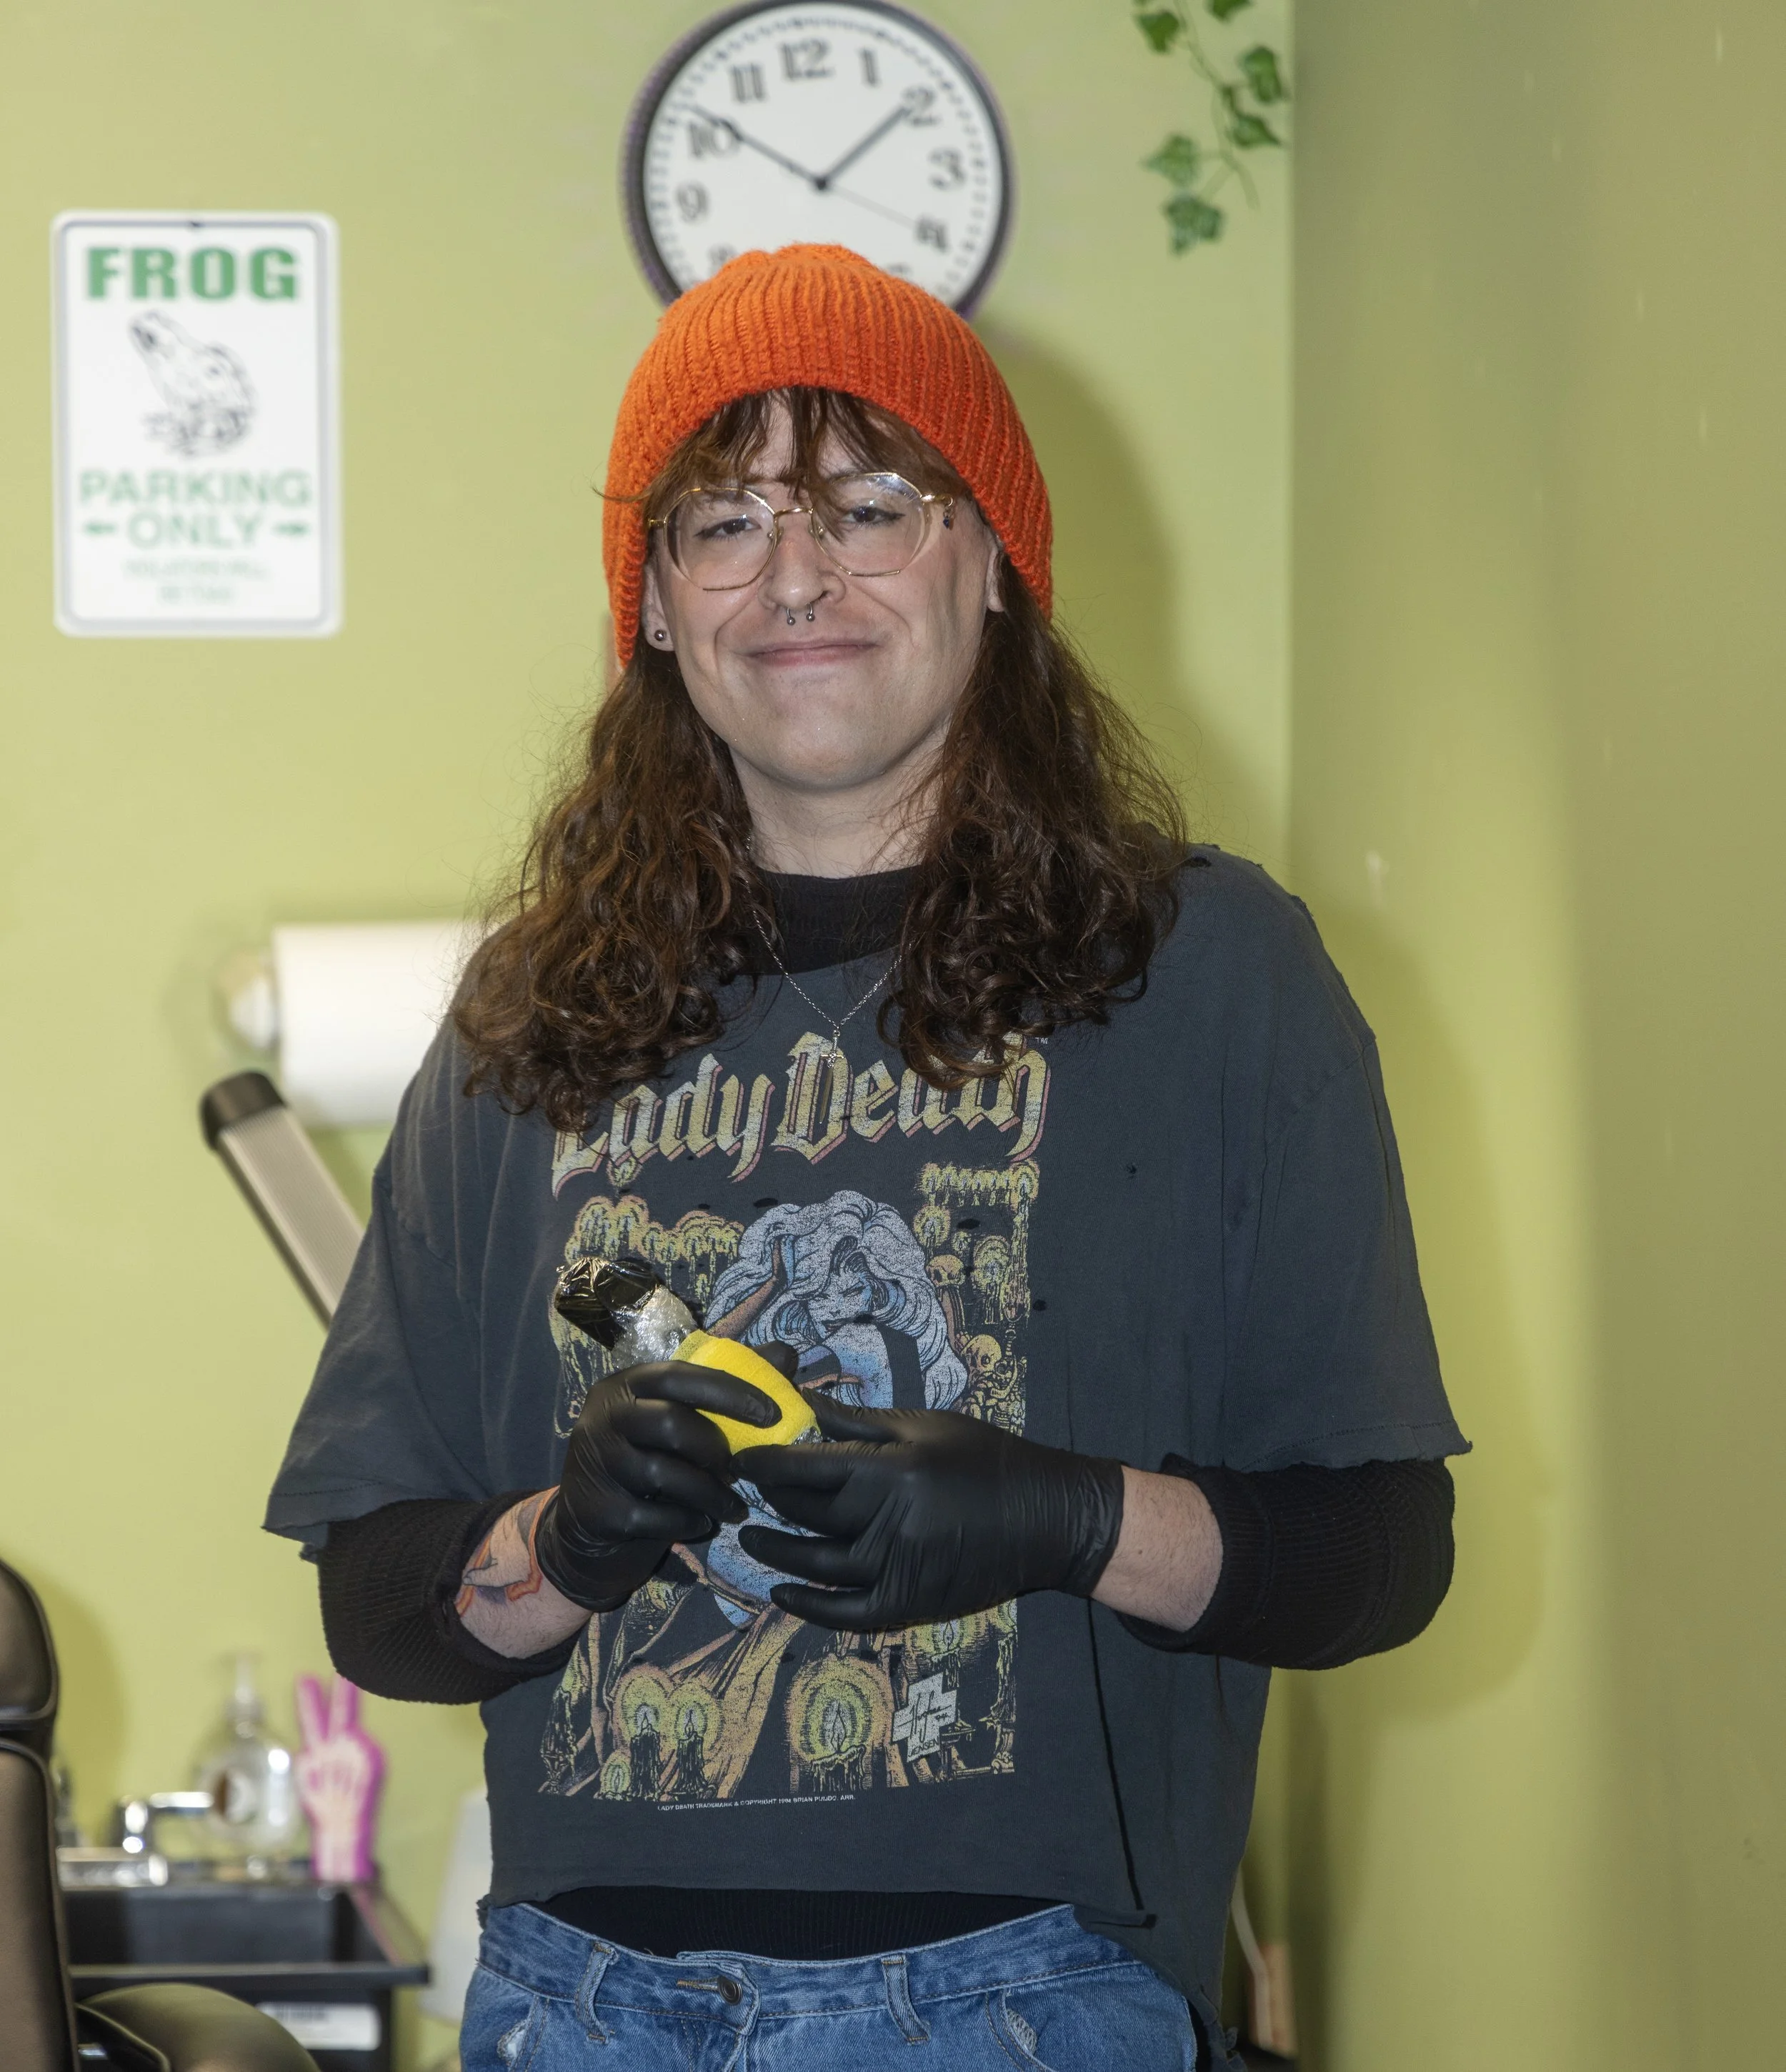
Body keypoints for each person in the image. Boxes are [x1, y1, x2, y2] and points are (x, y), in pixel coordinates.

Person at [266, 244, 1466, 2071]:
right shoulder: (530, 1012)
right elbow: (381, 1595)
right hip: (578, 2009)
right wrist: (565, 1544)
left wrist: (1060, 1515)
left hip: (1025, 2004)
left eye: (868, 505)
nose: (795, 577)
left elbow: (1378, 1554)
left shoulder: (1211, 974)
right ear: (656, 608)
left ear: (992, 564)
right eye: (723, 521)